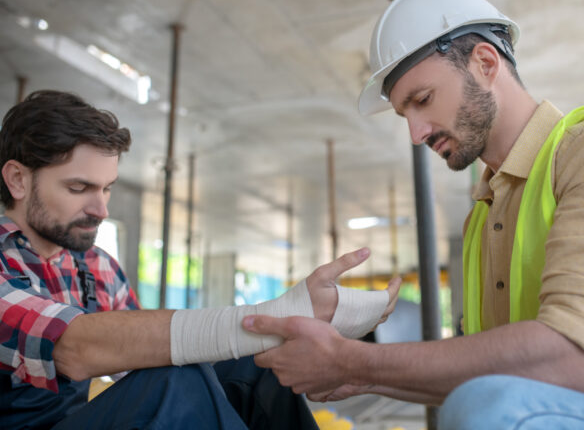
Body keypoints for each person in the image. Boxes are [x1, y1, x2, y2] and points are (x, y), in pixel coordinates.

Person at [243, 0, 584, 429]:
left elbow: (574, 362)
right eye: (405, 115)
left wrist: (354, 364)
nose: (416, 134)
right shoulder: (483, 217)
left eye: (422, 100)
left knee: (482, 407)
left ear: (484, 62)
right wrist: (352, 374)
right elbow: (494, 372)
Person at [0, 90, 400, 429]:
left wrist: (288, 325)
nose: (101, 208)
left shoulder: (96, 266)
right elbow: (76, 347)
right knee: (174, 383)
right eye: (79, 187)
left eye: (107, 189)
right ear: (18, 179)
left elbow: (140, 352)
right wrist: (275, 314)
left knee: (251, 364)